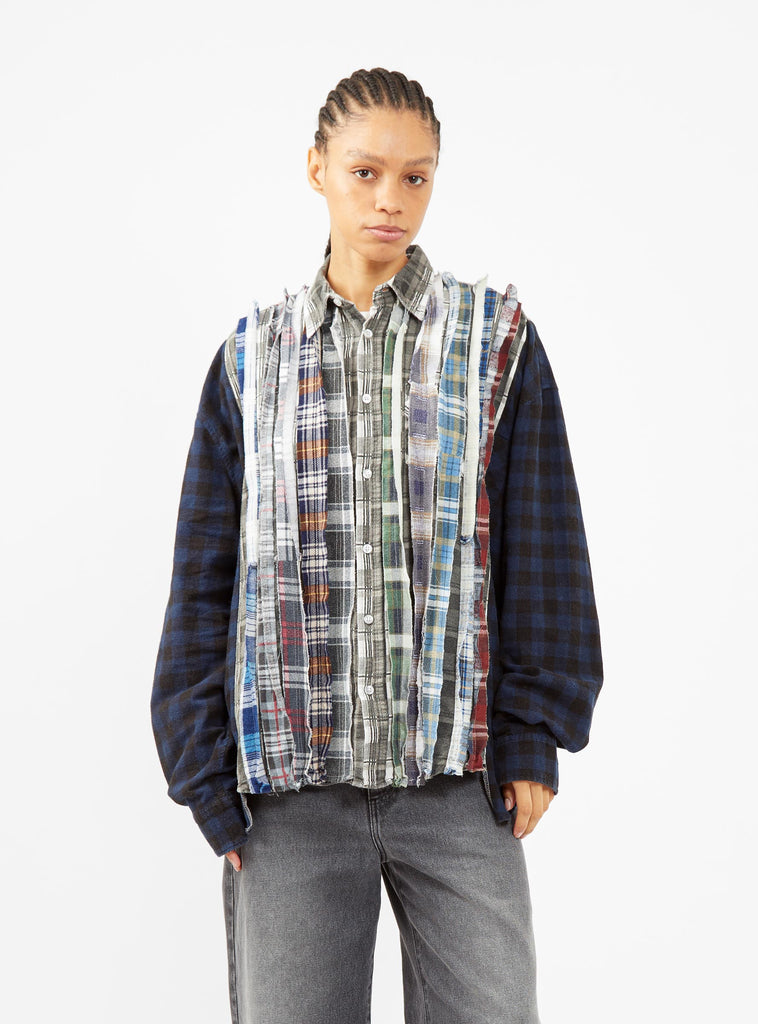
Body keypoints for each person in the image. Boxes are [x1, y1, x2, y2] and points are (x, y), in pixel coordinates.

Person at [151, 67, 603, 1024]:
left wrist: (533, 733)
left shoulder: (495, 345)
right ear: (317, 168)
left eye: (415, 176)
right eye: (365, 172)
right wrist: (203, 775)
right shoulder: (251, 361)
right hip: (288, 799)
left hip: (459, 787)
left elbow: (545, 543)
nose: (390, 199)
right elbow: (202, 579)